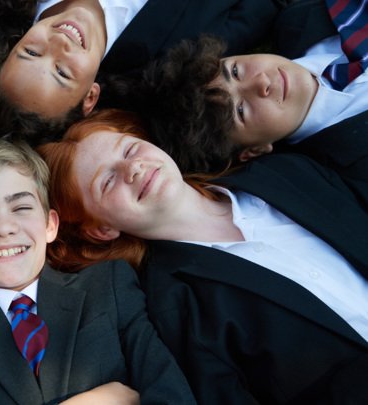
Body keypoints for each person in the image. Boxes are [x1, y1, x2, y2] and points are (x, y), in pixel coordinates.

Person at [37, 109, 368, 404]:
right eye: (107, 182)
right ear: (102, 230)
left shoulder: (286, 173)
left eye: (130, 149)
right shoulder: (174, 311)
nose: (133, 168)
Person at [0, 140, 195, 404]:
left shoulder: (108, 285)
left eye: (21, 208)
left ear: (51, 224)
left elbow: (169, 391)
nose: (3, 228)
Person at [0, 0, 280, 125]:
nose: (58, 44)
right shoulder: (177, 54)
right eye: (62, 72)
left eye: (31, 52)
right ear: (90, 95)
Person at [116, 32, 368, 174]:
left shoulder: (303, 17)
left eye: (235, 71)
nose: (261, 83)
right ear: (255, 150)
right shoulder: (354, 166)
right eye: (240, 110)